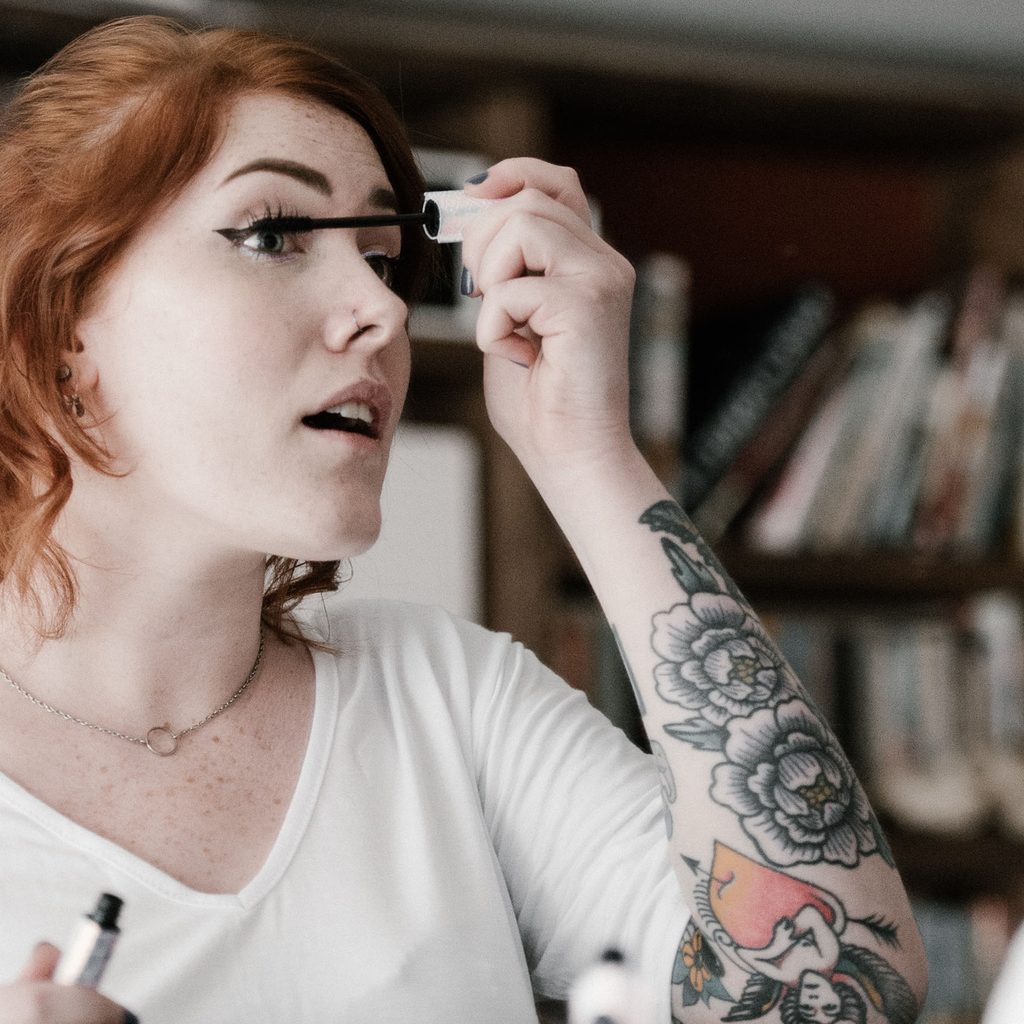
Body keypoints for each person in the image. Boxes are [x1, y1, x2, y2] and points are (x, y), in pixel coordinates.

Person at [0, 15, 927, 1024]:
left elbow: (833, 997)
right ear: (61, 325)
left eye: (387, 259)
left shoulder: (449, 701)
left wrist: (588, 456)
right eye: (274, 235)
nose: (384, 310)